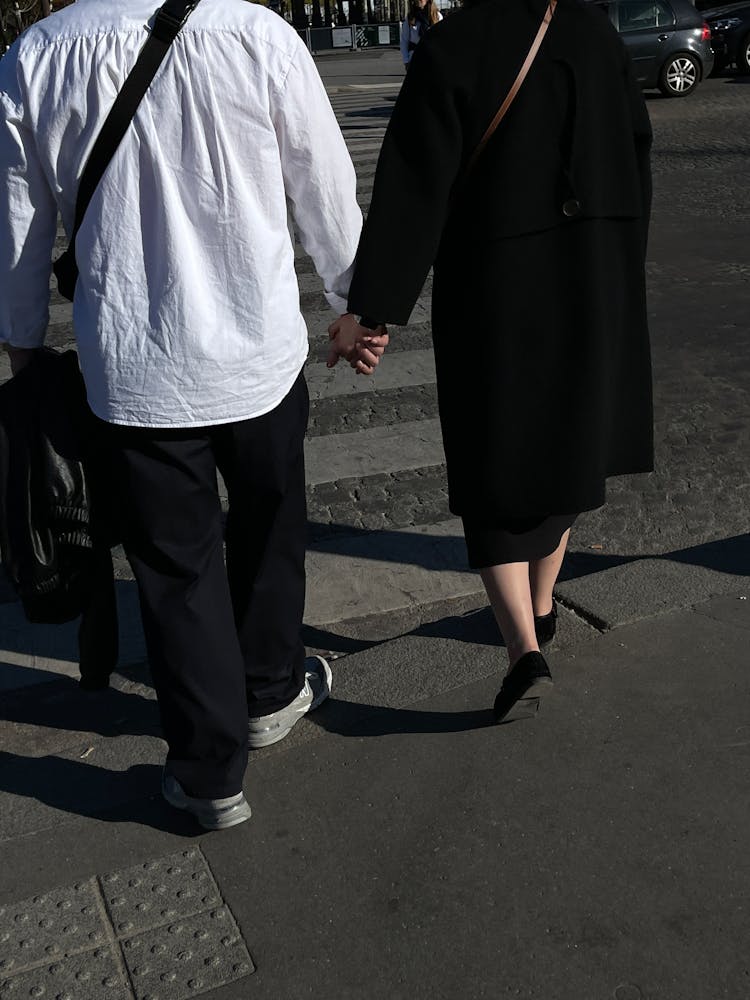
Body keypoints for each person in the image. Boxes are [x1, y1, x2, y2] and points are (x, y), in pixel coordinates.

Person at [0, 0, 385, 830]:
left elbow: (18, 221)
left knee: (175, 571)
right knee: (271, 523)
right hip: (258, 352)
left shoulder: (38, 54)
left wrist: (22, 347)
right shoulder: (256, 33)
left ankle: (209, 773)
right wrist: (358, 304)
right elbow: (323, 181)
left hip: (135, 367)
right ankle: (270, 692)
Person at [331, 0, 653, 723]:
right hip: (589, 276)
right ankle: (541, 610)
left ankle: (522, 650)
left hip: (495, 287)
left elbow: (416, 188)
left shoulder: (456, 45)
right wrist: (620, 264)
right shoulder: (595, 30)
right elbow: (636, 151)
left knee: (494, 459)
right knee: (571, 441)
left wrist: (372, 311)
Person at [400, 0, 443, 70]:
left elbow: (440, 41)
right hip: (414, 58)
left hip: (432, 58)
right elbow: (404, 41)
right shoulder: (410, 17)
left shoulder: (437, 16)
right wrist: (406, 61)